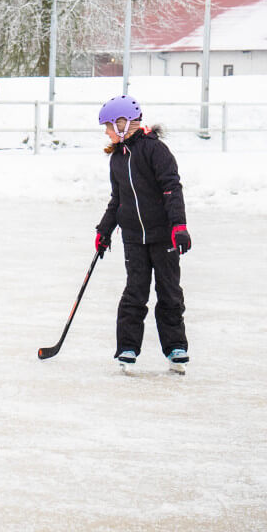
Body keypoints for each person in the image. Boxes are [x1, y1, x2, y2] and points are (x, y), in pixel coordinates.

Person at [93, 95, 191, 373]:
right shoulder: (117, 159)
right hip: (133, 238)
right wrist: (104, 230)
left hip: (163, 238)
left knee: (169, 292)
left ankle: (175, 347)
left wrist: (179, 227)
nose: (106, 132)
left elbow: (172, 189)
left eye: (109, 126)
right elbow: (117, 199)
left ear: (123, 124)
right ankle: (127, 347)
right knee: (134, 293)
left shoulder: (155, 151)